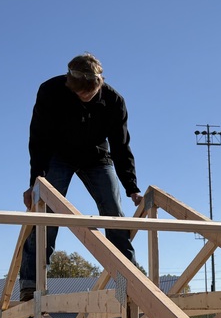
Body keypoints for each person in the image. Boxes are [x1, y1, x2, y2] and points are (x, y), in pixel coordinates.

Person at [19, 52, 143, 302]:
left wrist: (131, 187)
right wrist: (36, 181)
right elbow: (38, 139)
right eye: (80, 95)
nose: (85, 98)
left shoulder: (114, 101)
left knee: (114, 211)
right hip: (57, 154)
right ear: (69, 84)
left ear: (99, 84)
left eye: (90, 94)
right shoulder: (50, 91)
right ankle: (31, 283)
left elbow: (121, 146)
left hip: (96, 156)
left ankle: (126, 279)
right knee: (47, 213)